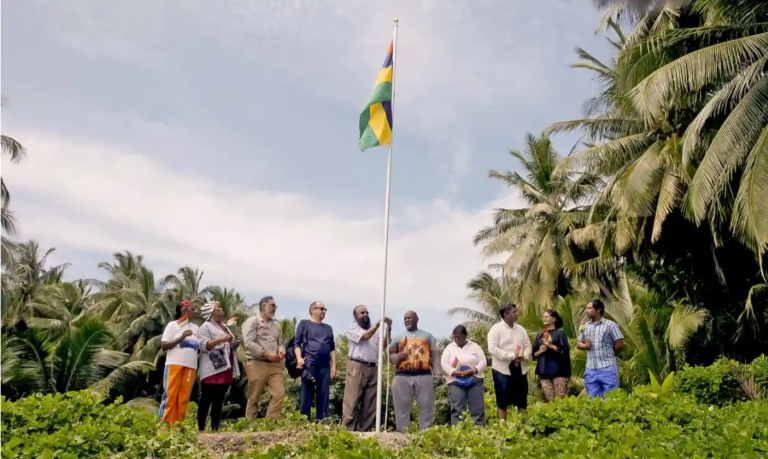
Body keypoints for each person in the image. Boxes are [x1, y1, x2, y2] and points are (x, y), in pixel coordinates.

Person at [388, 311, 441, 433]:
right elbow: (390, 357)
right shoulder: (398, 337)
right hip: (402, 377)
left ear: (417, 319)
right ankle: (403, 437)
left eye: (409, 318)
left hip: (424, 376)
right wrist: (398, 357)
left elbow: (435, 356)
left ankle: (426, 437)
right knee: (401, 410)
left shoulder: (428, 336)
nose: (407, 320)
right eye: (405, 318)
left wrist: (437, 374)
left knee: (427, 409)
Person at [342, 305, 392, 432]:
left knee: (370, 402)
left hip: (372, 367)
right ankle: (348, 430)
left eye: (366, 312)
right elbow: (365, 337)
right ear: (355, 316)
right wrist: (377, 326)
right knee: (352, 400)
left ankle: (365, 430)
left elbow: (385, 345)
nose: (365, 314)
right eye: (361, 313)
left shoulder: (374, 331)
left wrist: (388, 329)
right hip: (357, 366)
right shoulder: (353, 328)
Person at [196, 302, 240, 431]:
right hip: (212, 367)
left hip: (225, 366)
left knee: (219, 399)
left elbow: (229, 340)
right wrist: (220, 339)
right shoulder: (205, 326)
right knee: (206, 397)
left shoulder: (224, 326)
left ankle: (214, 428)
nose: (221, 309)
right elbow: (204, 345)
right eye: (217, 308)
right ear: (211, 312)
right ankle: (201, 428)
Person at [242, 295, 286, 421]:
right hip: (257, 362)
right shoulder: (252, 322)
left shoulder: (276, 325)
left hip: (275, 365)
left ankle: (270, 423)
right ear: (263, 306)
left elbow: (280, 342)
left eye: (275, 306)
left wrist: (281, 350)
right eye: (272, 305)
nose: (275, 308)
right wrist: (266, 354)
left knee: (279, 393)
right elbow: (249, 343)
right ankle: (250, 424)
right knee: (254, 396)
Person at [158, 300, 200, 426]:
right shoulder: (172, 325)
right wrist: (181, 337)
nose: (194, 312)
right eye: (192, 309)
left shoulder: (196, 328)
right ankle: (165, 424)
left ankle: (178, 425)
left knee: (183, 397)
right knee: (171, 394)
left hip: (191, 365)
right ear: (183, 310)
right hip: (174, 363)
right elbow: (164, 345)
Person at [488, 302, 532, 419]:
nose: (517, 313)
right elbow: (492, 349)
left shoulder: (521, 329)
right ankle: (502, 430)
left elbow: (528, 345)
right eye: (514, 312)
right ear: (506, 314)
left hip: (520, 369)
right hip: (502, 370)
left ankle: (524, 428)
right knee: (502, 402)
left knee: (522, 401)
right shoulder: (496, 329)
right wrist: (512, 356)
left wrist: (525, 356)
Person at [295, 301, 336, 422]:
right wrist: (299, 359)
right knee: (306, 394)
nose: (323, 311)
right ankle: (304, 421)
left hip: (324, 366)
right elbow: (296, 343)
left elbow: (332, 348)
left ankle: (322, 421)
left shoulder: (328, 328)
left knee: (324, 395)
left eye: (324, 309)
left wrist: (334, 365)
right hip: (309, 364)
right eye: (321, 309)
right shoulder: (304, 324)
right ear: (312, 310)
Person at [440, 325, 487, 427]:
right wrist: (454, 372)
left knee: (477, 409)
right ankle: (458, 434)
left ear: (465, 336)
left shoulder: (474, 346)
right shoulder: (449, 348)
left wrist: (474, 370)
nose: (456, 339)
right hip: (456, 381)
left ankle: (480, 434)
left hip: (474, 380)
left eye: (459, 337)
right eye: (454, 337)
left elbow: (483, 361)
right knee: (457, 410)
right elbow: (444, 364)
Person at [577, 298, 624, 398]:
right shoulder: (585, 326)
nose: (587, 310)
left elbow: (619, 344)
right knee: (593, 401)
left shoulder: (610, 325)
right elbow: (578, 343)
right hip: (590, 369)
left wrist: (610, 354)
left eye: (589, 308)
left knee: (612, 399)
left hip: (607, 367)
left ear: (598, 310)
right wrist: (584, 345)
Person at [533, 309, 571, 401]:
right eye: (543, 317)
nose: (544, 319)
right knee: (550, 401)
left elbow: (565, 351)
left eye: (547, 317)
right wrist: (540, 351)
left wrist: (551, 346)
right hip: (544, 371)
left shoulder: (560, 334)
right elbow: (533, 354)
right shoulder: (539, 335)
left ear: (554, 319)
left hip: (559, 371)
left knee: (560, 400)